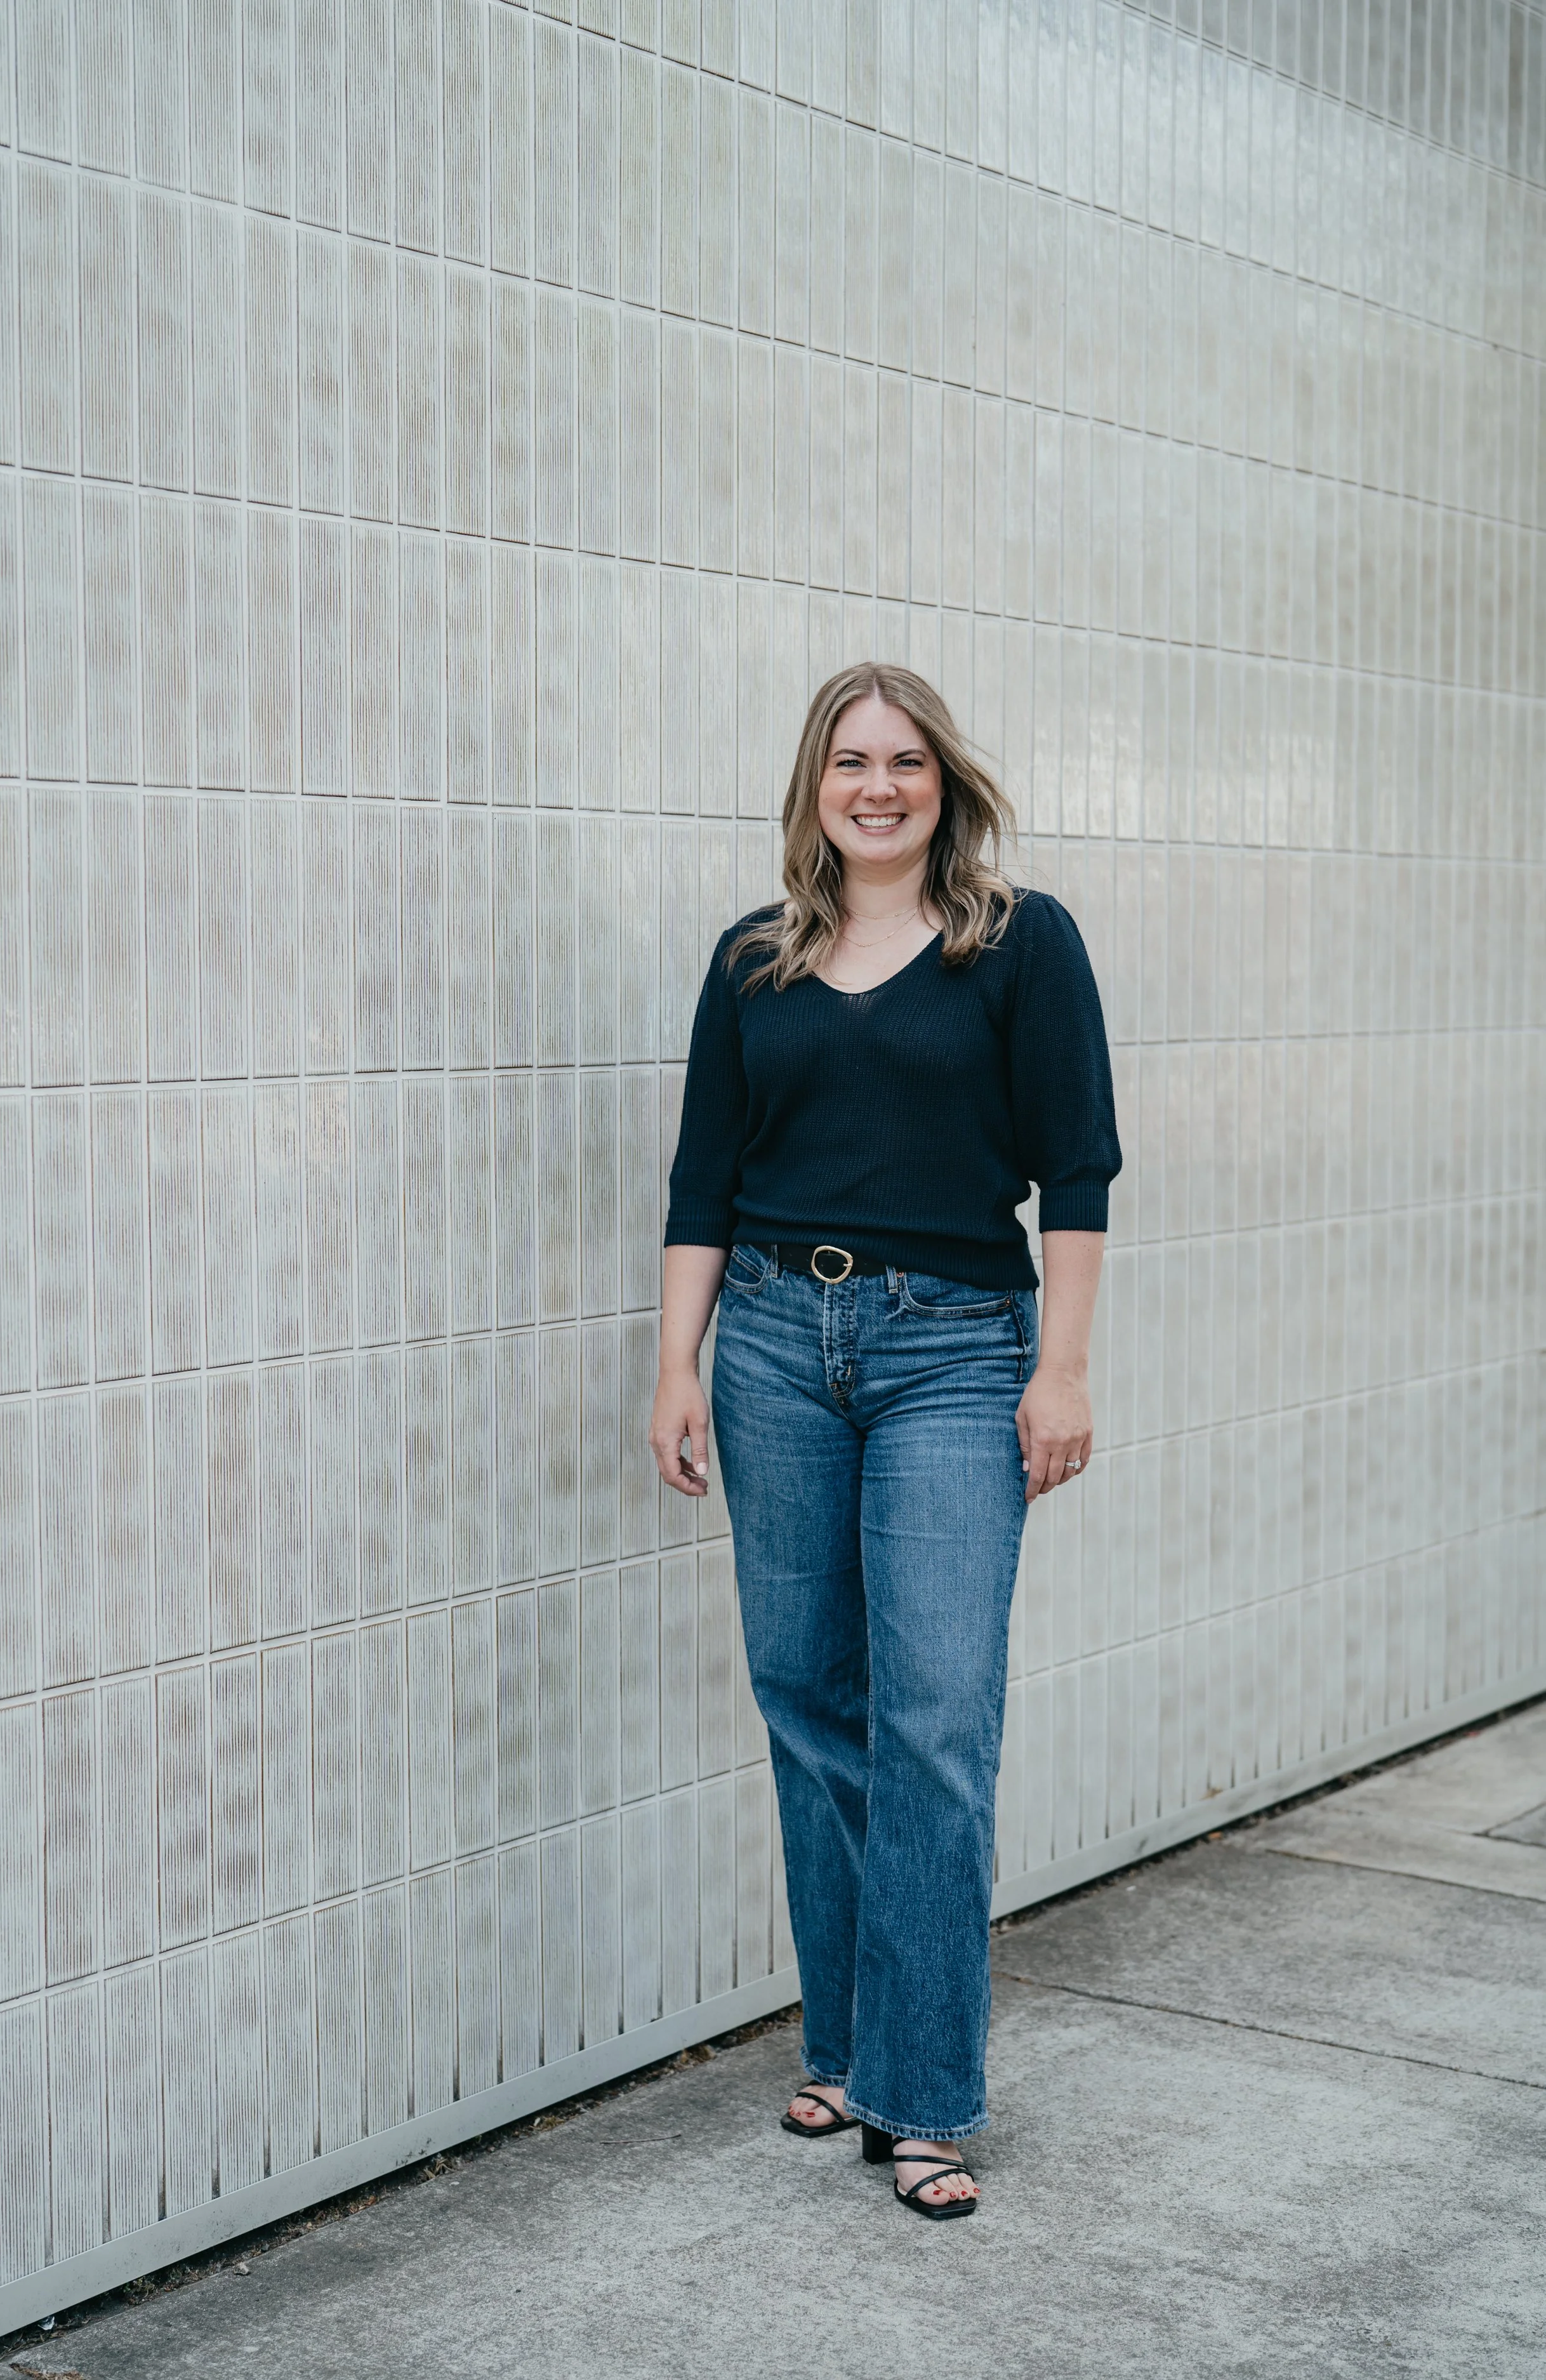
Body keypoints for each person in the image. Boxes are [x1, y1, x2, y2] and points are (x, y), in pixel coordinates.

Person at [649, 663, 1121, 2220]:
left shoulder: (1017, 943)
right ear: (814, 784)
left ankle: (920, 2098)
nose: (876, 786)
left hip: (952, 1353)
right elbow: (701, 1185)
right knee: (804, 1691)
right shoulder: (750, 960)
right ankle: (846, 2043)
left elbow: (1078, 1176)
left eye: (902, 761)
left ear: (942, 781)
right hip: (777, 1344)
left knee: (930, 1715)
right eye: (849, 761)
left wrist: (1059, 1373)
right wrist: (677, 1366)